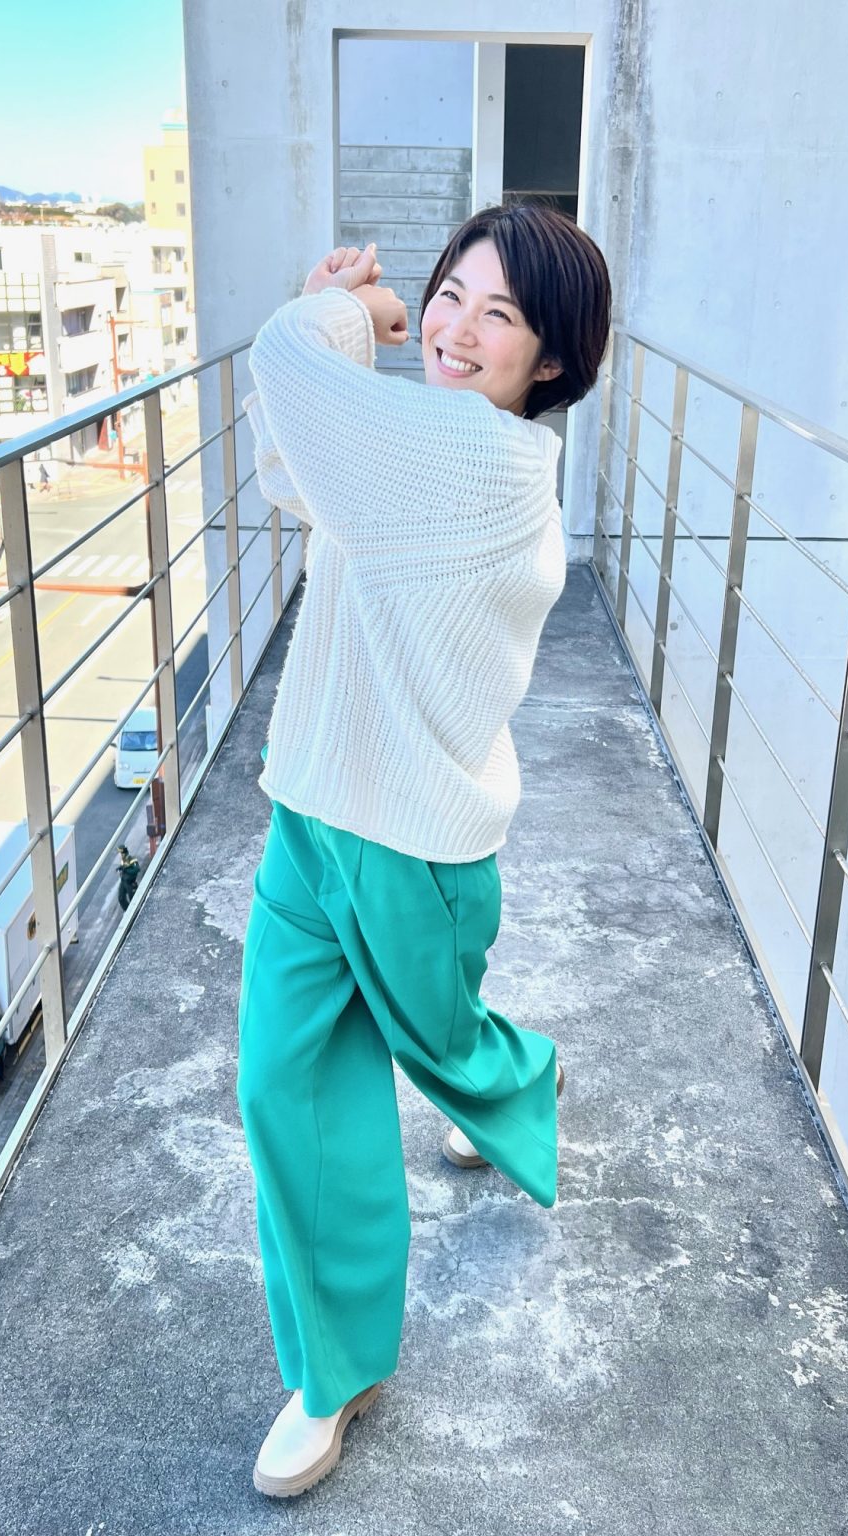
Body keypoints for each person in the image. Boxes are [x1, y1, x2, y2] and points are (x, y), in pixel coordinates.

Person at [237, 207, 611, 1498]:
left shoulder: (482, 464)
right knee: (286, 1089)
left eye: (497, 315)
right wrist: (341, 327)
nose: (452, 328)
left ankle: (523, 1077)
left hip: (415, 847)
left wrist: (356, 313)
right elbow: (296, 466)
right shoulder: (409, 450)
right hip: (312, 804)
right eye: (449, 293)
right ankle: (334, 1372)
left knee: (444, 1047)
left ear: (548, 362)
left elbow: (287, 363)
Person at [115, 844, 140, 911]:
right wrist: (120, 868)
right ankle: (127, 910)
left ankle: (134, 911)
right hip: (123, 881)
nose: (120, 855)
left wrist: (127, 870)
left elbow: (137, 869)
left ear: (123, 852)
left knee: (133, 899)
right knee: (121, 898)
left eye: (121, 853)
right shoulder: (123, 860)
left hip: (130, 882)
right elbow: (123, 866)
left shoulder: (131, 859)